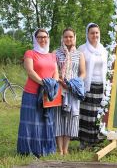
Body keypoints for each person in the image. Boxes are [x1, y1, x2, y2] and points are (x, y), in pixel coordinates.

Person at [17, 28, 58, 157]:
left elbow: (56, 72)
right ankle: (28, 150)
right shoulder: (30, 53)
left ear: (48, 38)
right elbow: (30, 71)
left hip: (47, 94)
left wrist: (53, 83)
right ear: (35, 39)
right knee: (30, 123)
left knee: (44, 121)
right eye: (39, 37)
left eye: (45, 37)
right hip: (32, 93)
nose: (42, 39)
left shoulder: (52, 55)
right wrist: (44, 83)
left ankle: (43, 149)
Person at [53, 28, 86, 155]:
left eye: (71, 36)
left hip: (73, 90)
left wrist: (73, 83)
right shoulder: (55, 53)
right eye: (66, 37)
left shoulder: (79, 54)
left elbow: (83, 73)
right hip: (59, 88)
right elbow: (53, 70)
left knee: (71, 118)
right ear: (62, 38)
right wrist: (61, 81)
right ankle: (59, 149)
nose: (68, 39)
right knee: (58, 117)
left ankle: (66, 149)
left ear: (74, 37)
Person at [78, 23, 108, 148]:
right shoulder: (82, 49)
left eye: (96, 33)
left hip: (101, 86)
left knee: (98, 114)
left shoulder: (103, 50)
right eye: (92, 33)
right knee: (87, 114)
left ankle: (96, 141)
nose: (94, 35)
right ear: (87, 34)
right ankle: (84, 141)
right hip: (87, 86)